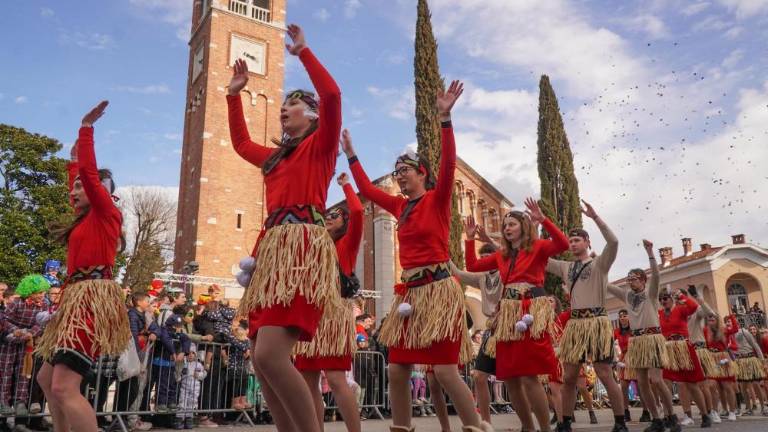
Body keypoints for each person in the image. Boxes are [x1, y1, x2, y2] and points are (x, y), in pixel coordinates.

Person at [343, 82, 488, 432]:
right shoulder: (399, 206)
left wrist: (445, 119)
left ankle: (474, 426)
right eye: (396, 171)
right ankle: (402, 428)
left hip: (439, 291)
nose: (399, 175)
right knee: (396, 368)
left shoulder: (437, 199)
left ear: (421, 172)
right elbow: (366, 190)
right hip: (410, 296)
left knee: (446, 371)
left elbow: (450, 162)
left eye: (404, 169)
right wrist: (351, 154)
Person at [227, 23, 341, 432]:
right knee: (260, 356)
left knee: (273, 355)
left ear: (309, 115)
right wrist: (233, 94)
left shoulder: (320, 145)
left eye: (291, 104)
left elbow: (332, 95)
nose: (283, 107)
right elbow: (241, 145)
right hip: (270, 253)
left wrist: (305, 53)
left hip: (300, 251)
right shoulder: (275, 158)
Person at [35, 101, 131, 432]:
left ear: (100, 192)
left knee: (63, 386)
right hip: (73, 301)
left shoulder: (107, 214)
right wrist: (73, 162)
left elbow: (89, 177)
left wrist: (87, 129)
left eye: (81, 187)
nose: (74, 191)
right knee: (47, 380)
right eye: (73, 187)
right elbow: (81, 178)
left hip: (89, 301)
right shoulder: (85, 218)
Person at [465, 200, 569, 432]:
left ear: (523, 225)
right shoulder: (502, 256)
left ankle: (544, 428)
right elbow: (472, 265)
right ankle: (527, 427)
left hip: (530, 311)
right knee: (510, 377)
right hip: (508, 315)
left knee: (530, 377)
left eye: (511, 224)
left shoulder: (539, 247)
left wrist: (543, 220)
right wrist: (470, 238)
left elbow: (562, 244)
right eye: (504, 225)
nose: (506, 228)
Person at [545, 201, 626, 432]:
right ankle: (566, 422)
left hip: (597, 322)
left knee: (604, 373)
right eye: (570, 241)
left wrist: (595, 218)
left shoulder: (600, 263)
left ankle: (620, 421)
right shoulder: (565, 267)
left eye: (577, 240)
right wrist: (536, 224)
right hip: (576, 324)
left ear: (587, 242)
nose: (572, 244)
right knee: (569, 376)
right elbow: (539, 258)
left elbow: (614, 242)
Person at [295, 172, 364, 432]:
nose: (328, 219)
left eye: (334, 215)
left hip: (335, 314)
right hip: (311, 313)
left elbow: (357, 212)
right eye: (326, 216)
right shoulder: (315, 246)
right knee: (307, 380)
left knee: (336, 379)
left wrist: (346, 185)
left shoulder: (348, 243)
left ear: (343, 222)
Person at [607, 240, 679, 432]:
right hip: (637, 341)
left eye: (634, 278)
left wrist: (650, 252)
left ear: (642, 280)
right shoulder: (627, 296)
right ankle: (657, 419)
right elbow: (607, 285)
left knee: (656, 380)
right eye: (629, 279)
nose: (630, 281)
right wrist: (599, 263)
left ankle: (672, 416)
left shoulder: (651, 293)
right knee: (641, 381)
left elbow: (656, 274)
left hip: (653, 338)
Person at [449, 243, 502, 425]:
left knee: (516, 380)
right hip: (491, 332)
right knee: (479, 376)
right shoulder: (481, 277)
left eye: (489, 256)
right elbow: (459, 274)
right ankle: (486, 422)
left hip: (508, 328)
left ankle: (533, 423)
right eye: (483, 257)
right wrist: (441, 254)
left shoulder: (507, 273)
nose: (485, 260)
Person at [657, 288, 711, 427]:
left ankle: (705, 415)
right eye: (661, 299)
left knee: (691, 384)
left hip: (683, 348)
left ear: (672, 298)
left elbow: (694, 307)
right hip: (667, 349)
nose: (663, 301)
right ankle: (669, 415)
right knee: (664, 383)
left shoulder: (681, 309)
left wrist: (682, 296)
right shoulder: (660, 314)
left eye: (666, 297)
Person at [0, 275, 50, 416]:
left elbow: (41, 324)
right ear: (30, 291)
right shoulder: (16, 302)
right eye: (39, 292)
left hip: (27, 342)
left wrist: (30, 333)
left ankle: (20, 401)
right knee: (6, 371)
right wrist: (16, 331)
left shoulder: (44, 305)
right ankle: (3, 402)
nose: (42, 295)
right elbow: (5, 319)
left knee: (24, 372)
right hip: (9, 342)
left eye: (44, 292)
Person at [682, 285, 719, 424]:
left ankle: (710, 412)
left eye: (681, 296)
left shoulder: (695, 311)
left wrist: (698, 297)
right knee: (684, 385)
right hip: (684, 351)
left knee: (704, 384)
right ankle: (688, 416)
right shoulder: (675, 312)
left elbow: (710, 313)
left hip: (699, 349)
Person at [704, 314, 739, 420]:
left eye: (712, 319)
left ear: (717, 320)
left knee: (727, 386)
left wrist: (732, 316)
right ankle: (714, 411)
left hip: (723, 358)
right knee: (711, 385)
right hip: (711, 358)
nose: (710, 320)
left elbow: (735, 328)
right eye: (709, 318)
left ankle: (732, 412)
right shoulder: (705, 330)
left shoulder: (723, 330)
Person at [732, 321, 766, 415]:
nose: (729, 324)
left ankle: (763, 408)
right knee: (743, 387)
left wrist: (762, 360)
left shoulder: (744, 332)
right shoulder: (729, 335)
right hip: (740, 362)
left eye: (730, 322)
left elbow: (755, 345)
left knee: (756, 384)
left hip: (750, 360)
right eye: (727, 322)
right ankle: (749, 409)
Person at [177, 344, 206, 429]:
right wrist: (179, 376)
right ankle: (179, 419)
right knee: (182, 402)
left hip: (195, 388)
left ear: (195, 354)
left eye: (193, 353)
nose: (190, 355)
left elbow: (203, 374)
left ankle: (189, 419)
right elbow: (178, 373)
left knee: (192, 402)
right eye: (188, 353)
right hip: (184, 387)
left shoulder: (199, 365)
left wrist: (199, 375)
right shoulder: (183, 363)